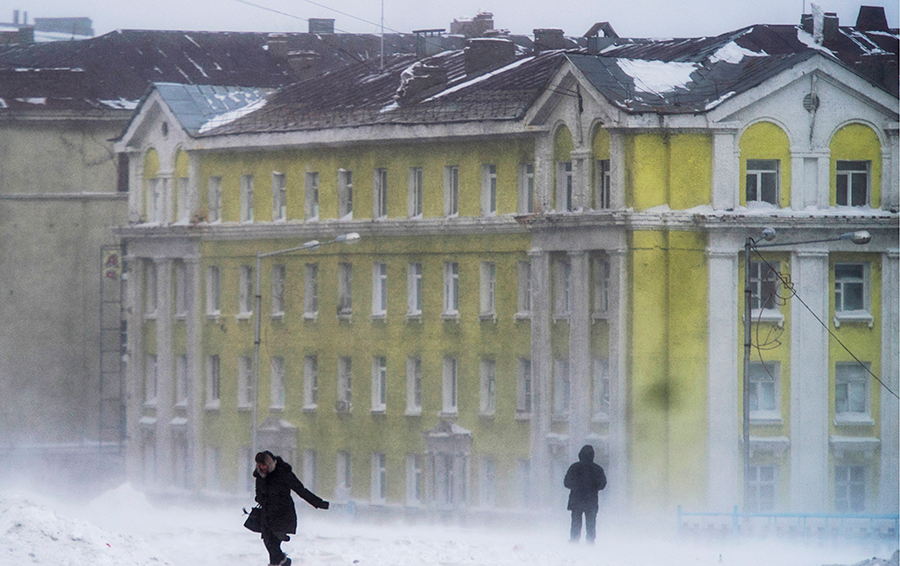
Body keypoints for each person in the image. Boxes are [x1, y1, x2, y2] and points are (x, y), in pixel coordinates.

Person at [254, 450, 329, 566]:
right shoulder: (260, 476)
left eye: (264, 465)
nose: (262, 467)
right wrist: (260, 498)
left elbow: (300, 490)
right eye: (259, 465)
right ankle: (283, 562)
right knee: (268, 543)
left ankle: (279, 562)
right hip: (267, 515)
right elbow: (258, 492)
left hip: (282, 514)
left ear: (269, 464)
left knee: (273, 543)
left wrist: (319, 503)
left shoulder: (283, 473)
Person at [563, 444, 607, 543]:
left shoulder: (574, 467)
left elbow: (566, 483)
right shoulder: (597, 469)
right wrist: (593, 487)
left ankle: (574, 541)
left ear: (580, 455)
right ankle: (590, 542)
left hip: (576, 500)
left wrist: (576, 486)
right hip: (591, 501)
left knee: (576, 523)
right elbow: (602, 485)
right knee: (591, 523)